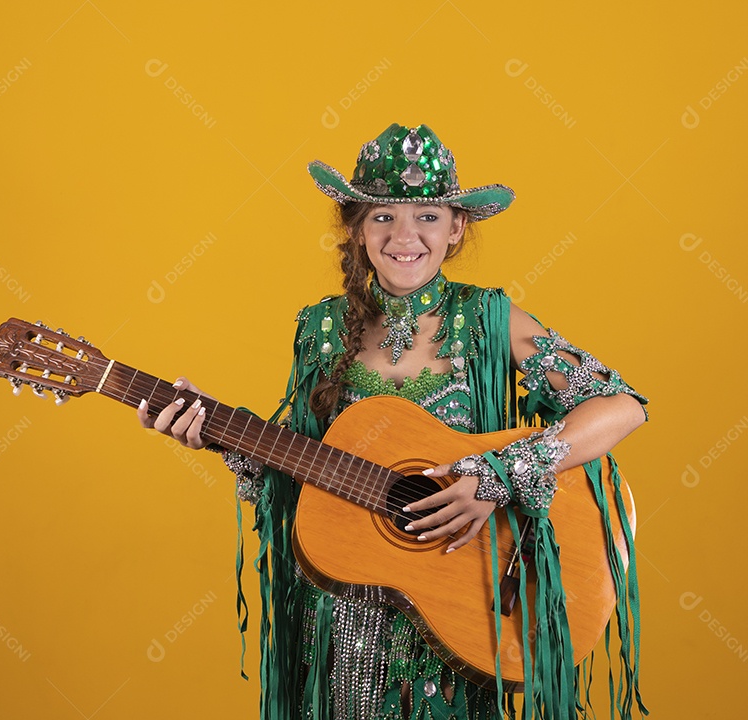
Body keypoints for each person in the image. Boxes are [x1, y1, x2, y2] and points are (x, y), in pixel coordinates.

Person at [138, 123, 650, 719]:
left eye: (428, 217)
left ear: (457, 228)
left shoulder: (489, 318)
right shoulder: (321, 329)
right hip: (350, 623)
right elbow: (304, 471)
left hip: (464, 604)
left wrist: (500, 474)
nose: (405, 236)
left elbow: (621, 406)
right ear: (356, 227)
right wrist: (221, 436)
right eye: (382, 216)